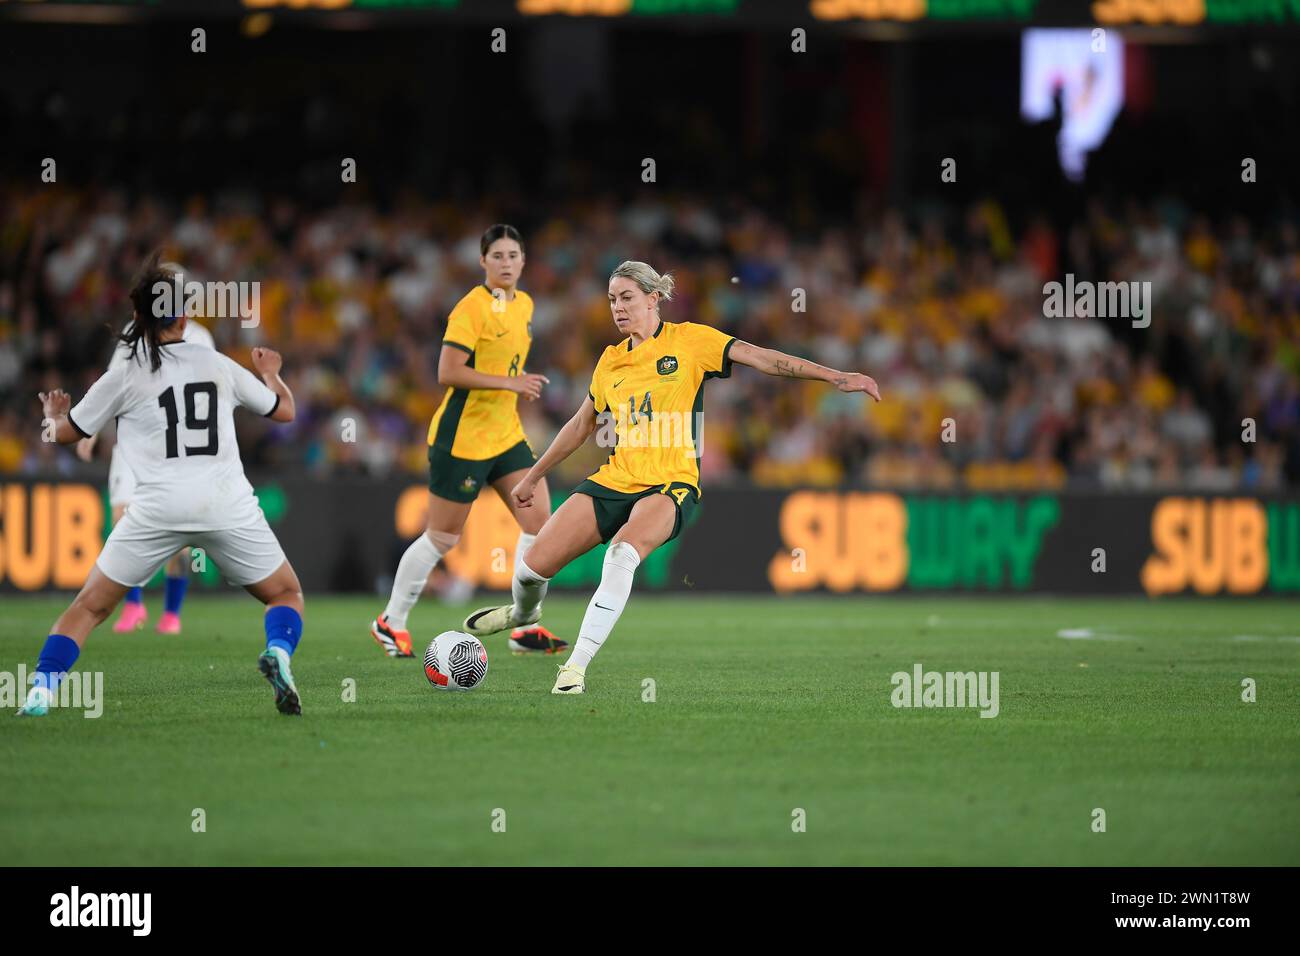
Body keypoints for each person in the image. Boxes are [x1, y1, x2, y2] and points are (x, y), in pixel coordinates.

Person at [462, 260, 881, 694]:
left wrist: (835, 375)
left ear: (653, 298)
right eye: (611, 300)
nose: (617, 308)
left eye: (626, 297)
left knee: (621, 555)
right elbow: (582, 424)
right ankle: (523, 615)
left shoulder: (690, 341)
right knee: (532, 571)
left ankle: (575, 667)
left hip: (670, 484)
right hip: (616, 479)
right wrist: (532, 476)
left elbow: (762, 358)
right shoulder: (610, 361)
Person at [18, 253, 305, 717]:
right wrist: (271, 373)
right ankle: (278, 653)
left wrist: (52, 417)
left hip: (156, 509)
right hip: (225, 504)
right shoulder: (217, 363)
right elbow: (285, 413)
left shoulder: (126, 371)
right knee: (285, 593)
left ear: (138, 316)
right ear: (186, 315)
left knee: (88, 608)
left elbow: (67, 432)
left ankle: (40, 690)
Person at [369, 224, 567, 658]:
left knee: (541, 528)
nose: (506, 263)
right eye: (497, 255)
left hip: (506, 435)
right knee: (442, 537)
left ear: (523, 260)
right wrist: (510, 384)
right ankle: (390, 621)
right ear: (482, 262)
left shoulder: (526, 304)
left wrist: (510, 391)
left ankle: (523, 624)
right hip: (462, 438)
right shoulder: (471, 308)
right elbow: (447, 371)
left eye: (513, 255)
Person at [76, 285, 216, 635]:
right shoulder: (133, 332)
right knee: (123, 519)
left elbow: (210, 390)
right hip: (131, 439)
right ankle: (134, 606)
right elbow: (111, 383)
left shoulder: (200, 337)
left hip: (175, 445)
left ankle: (171, 613)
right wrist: (91, 431)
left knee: (176, 530)